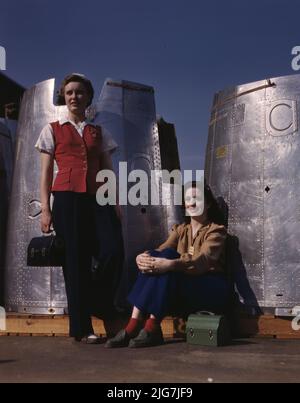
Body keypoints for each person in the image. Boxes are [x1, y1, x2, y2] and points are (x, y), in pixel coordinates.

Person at [35, 73, 124, 343]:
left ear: (88, 97)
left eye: (80, 92)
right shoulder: (52, 129)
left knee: (113, 251)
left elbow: (108, 170)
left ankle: (98, 302)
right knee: (75, 262)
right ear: (64, 96)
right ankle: (82, 328)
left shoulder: (99, 132)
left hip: (98, 199)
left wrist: (116, 202)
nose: (74, 96)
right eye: (70, 92)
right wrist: (46, 209)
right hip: (66, 199)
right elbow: (46, 172)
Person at [105, 181, 230, 348]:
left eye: (196, 198)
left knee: (169, 260)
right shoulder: (181, 230)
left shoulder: (216, 231)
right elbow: (161, 251)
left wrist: (170, 264)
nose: (191, 202)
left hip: (210, 287)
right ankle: (140, 325)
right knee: (160, 256)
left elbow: (204, 260)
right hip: (185, 285)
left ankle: (143, 327)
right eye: (187, 199)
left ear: (207, 204)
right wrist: (143, 258)